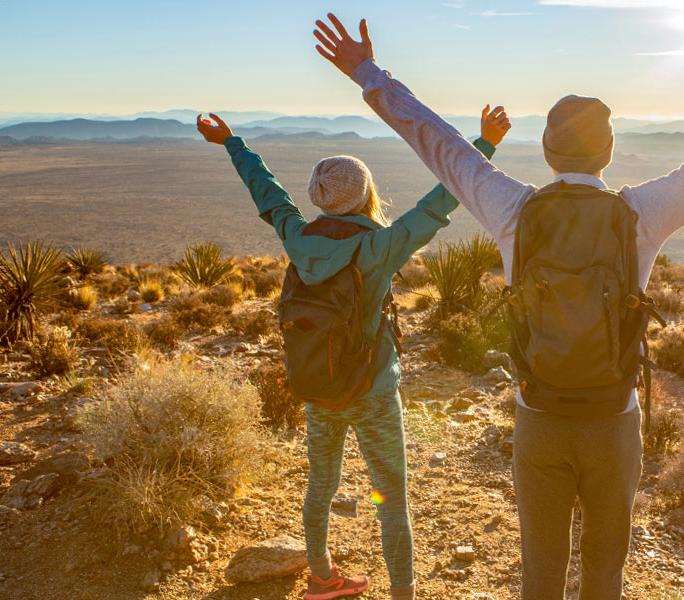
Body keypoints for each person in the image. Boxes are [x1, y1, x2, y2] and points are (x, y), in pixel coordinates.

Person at [312, 13, 684, 600]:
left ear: (546, 149)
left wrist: (366, 72)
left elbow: (437, 142)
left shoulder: (511, 209)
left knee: (540, 572)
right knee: (605, 572)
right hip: (615, 422)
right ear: (608, 151)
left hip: (539, 419)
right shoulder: (641, 213)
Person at [196, 105, 511, 600]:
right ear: (366, 196)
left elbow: (268, 194)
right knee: (392, 502)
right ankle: (402, 593)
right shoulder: (380, 247)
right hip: (373, 390)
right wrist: (484, 144)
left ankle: (322, 576)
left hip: (318, 385)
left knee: (320, 484)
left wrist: (232, 142)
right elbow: (438, 205)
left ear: (318, 198)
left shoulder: (298, 237)